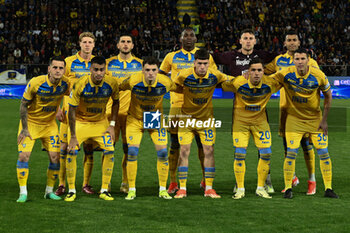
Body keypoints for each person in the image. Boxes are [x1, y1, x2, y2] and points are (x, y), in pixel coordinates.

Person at [213, 28, 278, 193]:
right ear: (240, 41)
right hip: (240, 108)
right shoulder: (232, 56)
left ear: (255, 41)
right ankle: (238, 183)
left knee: (263, 148)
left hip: (260, 108)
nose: (248, 41)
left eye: (251, 38)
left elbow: (280, 59)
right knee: (240, 148)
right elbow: (213, 58)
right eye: (245, 38)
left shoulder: (262, 56)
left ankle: (266, 181)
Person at [270, 48, 338, 199]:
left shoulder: (318, 75)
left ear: (308, 60)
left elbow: (328, 96)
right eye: (297, 59)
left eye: (302, 59)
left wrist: (324, 120)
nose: (300, 62)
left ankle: (328, 188)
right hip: (294, 120)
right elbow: (268, 80)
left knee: (323, 152)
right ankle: (288, 188)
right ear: (293, 60)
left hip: (315, 121)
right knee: (291, 152)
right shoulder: (285, 73)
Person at [159, 28, 217, 194]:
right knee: (176, 145)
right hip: (177, 106)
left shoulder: (205, 56)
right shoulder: (171, 56)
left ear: (196, 38)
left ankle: (206, 180)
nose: (189, 38)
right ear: (181, 38)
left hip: (201, 106)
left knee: (203, 145)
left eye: (192, 35)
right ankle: (172, 181)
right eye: (186, 35)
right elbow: (161, 75)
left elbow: (213, 75)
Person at [265, 30, 319, 195]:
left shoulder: (311, 62)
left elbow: (317, 81)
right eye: (289, 40)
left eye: (294, 40)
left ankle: (312, 179)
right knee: (287, 146)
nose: (292, 43)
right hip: (286, 109)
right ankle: (293, 177)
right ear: (284, 43)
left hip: (305, 113)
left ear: (299, 41)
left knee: (306, 145)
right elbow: (266, 73)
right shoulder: (278, 60)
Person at [222, 58, 282, 199]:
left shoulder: (270, 83)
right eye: (253, 70)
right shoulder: (238, 82)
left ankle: (261, 187)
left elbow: (286, 80)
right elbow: (222, 84)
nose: (256, 73)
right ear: (248, 72)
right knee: (240, 154)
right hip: (240, 123)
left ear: (263, 72)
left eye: (259, 70)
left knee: (266, 153)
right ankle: (240, 188)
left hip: (260, 123)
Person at [173, 49, 228, 199]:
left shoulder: (215, 75)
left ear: (209, 63)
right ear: (194, 63)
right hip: (187, 120)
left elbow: (229, 80)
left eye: (205, 63)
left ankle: (209, 188)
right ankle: (182, 188)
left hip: (206, 120)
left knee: (209, 150)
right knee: (184, 151)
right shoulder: (184, 75)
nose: (202, 67)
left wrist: (244, 77)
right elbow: (175, 85)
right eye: (200, 64)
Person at [120, 57, 177, 200]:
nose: (150, 73)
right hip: (135, 119)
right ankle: (132, 189)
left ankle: (163, 189)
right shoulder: (133, 80)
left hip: (155, 118)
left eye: (153, 70)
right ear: (142, 70)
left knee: (163, 153)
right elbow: (119, 87)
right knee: (132, 152)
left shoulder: (166, 82)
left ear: (158, 71)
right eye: (147, 70)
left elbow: (180, 88)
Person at [65, 56, 119, 202]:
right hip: (81, 122)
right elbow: (71, 110)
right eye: (96, 69)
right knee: (72, 151)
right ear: (90, 69)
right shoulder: (80, 84)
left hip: (100, 123)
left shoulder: (111, 83)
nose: (99, 73)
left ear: (105, 70)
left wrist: (112, 125)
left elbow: (116, 102)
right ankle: (71, 190)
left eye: (102, 70)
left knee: (110, 150)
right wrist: (73, 135)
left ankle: (104, 190)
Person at [16, 56, 70, 203]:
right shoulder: (36, 82)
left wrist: (59, 109)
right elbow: (23, 105)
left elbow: (72, 98)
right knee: (23, 156)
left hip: (49, 125)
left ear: (64, 70)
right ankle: (23, 193)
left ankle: (49, 191)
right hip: (31, 124)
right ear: (49, 69)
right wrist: (25, 128)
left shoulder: (66, 84)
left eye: (61, 68)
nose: (58, 71)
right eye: (55, 67)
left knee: (55, 157)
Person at [55, 32, 96, 196]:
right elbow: (60, 83)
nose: (87, 45)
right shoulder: (69, 62)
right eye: (84, 42)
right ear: (79, 44)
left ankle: (86, 184)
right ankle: (62, 184)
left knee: (88, 148)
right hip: (68, 111)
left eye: (90, 42)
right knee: (64, 148)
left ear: (94, 45)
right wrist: (57, 107)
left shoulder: (98, 63)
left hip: (88, 113)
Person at [106, 34, 143, 193]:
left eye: (128, 42)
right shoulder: (108, 64)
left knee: (129, 149)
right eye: (123, 41)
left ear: (133, 46)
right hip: (110, 114)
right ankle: (105, 182)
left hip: (131, 115)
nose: (126, 44)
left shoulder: (141, 65)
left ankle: (125, 182)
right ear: (118, 45)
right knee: (108, 148)